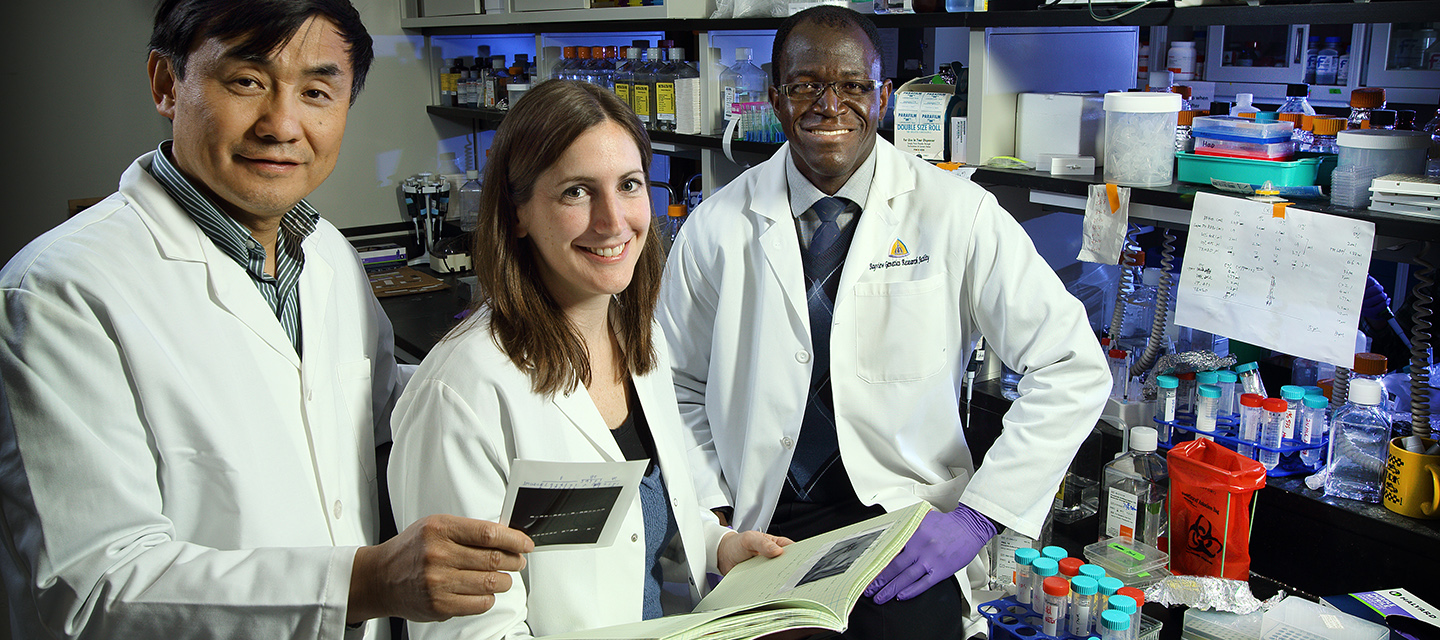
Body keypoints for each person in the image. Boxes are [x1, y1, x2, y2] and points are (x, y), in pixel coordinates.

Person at [0, 1, 532, 637]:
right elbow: (89, 592)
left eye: (316, 91)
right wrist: (364, 582)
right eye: (247, 81)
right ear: (167, 84)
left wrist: (506, 386)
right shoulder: (59, 292)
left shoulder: (325, 251)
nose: (283, 124)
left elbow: (374, 410)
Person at [656, 6, 1111, 638]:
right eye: (805, 84)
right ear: (774, 98)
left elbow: (1072, 366)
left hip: (902, 527)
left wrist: (976, 520)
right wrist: (715, 518)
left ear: (884, 97)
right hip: (764, 527)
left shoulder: (958, 214)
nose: (829, 104)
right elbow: (676, 387)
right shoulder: (717, 225)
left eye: (852, 85)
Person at [387, 79, 791, 640]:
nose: (612, 221)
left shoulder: (637, 337)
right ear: (519, 211)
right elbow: (469, 631)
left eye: (629, 185)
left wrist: (719, 545)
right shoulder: (465, 389)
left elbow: (648, 510)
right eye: (576, 191)